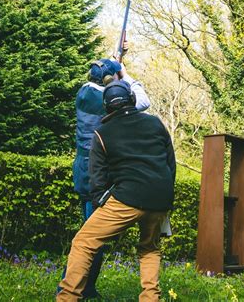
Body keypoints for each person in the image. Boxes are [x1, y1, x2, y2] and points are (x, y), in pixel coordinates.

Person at [57, 79, 176, 302]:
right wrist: (166, 198)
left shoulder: (102, 132)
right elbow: (170, 164)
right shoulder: (155, 123)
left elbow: (96, 177)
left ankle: (67, 298)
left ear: (107, 106)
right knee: (149, 249)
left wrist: (103, 199)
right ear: (132, 99)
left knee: (84, 243)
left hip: (126, 199)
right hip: (160, 199)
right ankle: (151, 298)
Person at [71, 56, 150, 299]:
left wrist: (117, 61)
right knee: (90, 238)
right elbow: (143, 101)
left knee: (93, 236)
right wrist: (125, 75)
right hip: (95, 172)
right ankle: (73, 288)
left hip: (86, 170)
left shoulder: (86, 91)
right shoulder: (102, 99)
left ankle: (87, 288)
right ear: (109, 80)